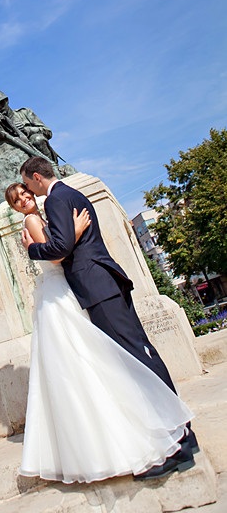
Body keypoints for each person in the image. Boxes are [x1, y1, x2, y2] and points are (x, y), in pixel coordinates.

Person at [18, 156, 198, 479]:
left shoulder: (57, 198)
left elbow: (60, 247)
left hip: (97, 286)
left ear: (35, 177)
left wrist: (31, 250)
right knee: (142, 352)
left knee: (134, 360)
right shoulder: (72, 194)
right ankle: (181, 431)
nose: (28, 190)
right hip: (105, 281)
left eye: (28, 184)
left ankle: (177, 441)